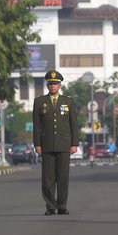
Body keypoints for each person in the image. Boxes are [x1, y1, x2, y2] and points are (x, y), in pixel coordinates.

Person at [33, 70, 79, 216]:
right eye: (50, 84)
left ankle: (62, 206)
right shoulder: (39, 102)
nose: (53, 86)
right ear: (47, 85)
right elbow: (36, 125)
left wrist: (74, 143)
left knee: (63, 176)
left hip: (64, 144)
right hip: (46, 145)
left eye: (55, 84)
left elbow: (74, 124)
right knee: (48, 178)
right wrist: (37, 144)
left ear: (60, 85)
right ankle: (50, 206)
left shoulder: (68, 101)